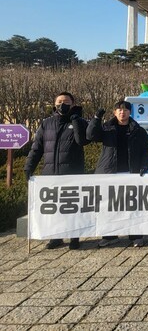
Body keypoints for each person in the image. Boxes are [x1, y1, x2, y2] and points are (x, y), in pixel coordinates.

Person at [24, 92, 89, 250]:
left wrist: (76, 120)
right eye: (59, 102)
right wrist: (29, 166)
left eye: (66, 102)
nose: (62, 105)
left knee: (73, 206)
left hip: (73, 173)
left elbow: (83, 140)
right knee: (55, 208)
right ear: (55, 104)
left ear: (73, 104)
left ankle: (75, 237)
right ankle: (56, 237)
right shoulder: (46, 124)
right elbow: (37, 148)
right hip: (50, 173)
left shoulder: (80, 122)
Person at [87, 100, 148, 248]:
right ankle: (110, 236)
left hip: (131, 173)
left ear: (130, 112)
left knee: (133, 205)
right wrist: (97, 118)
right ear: (115, 112)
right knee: (109, 206)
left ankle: (135, 235)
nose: (122, 112)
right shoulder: (107, 128)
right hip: (109, 173)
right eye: (119, 110)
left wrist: (144, 165)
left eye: (125, 110)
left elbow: (147, 149)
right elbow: (91, 135)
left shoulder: (138, 130)